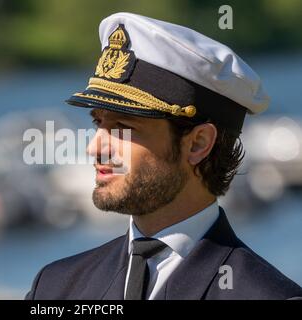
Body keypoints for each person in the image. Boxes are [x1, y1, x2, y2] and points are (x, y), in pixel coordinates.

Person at [25, 12, 302, 300]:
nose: (95, 147)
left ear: (198, 144)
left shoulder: (266, 295)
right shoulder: (55, 288)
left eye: (122, 127)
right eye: (98, 123)